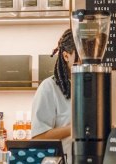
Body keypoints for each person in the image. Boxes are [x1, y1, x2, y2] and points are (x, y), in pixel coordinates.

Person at [31, 29, 78, 159]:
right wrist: (74, 128)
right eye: (80, 55)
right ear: (66, 56)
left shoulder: (98, 86)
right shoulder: (49, 87)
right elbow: (38, 137)